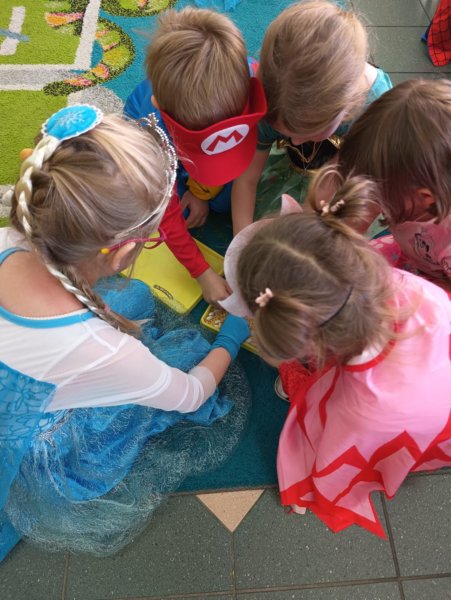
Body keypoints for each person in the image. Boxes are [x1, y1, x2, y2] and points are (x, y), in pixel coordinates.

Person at [0, 105, 251, 561]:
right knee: (182, 356)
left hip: (25, 371)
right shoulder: (106, 350)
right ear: (121, 253)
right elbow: (191, 394)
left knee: (131, 300)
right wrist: (231, 338)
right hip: (32, 429)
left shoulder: (8, 241)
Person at [220, 190, 451, 537]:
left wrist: (308, 481)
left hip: (403, 413)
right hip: (428, 359)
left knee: (309, 407)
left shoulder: (364, 404)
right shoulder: (404, 282)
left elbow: (339, 453)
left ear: (306, 339)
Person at [124, 7, 266, 302]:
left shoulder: (249, 76)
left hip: (191, 154)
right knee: (148, 204)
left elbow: (226, 154)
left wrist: (202, 191)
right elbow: (165, 210)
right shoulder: (148, 128)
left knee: (226, 200)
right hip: (161, 152)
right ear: (159, 104)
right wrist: (202, 273)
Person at [231, 0, 392, 235]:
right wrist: (242, 236)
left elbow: (343, 178)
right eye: (287, 133)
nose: (295, 142)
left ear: (345, 108)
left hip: (348, 171)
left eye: (307, 132)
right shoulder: (272, 100)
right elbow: (247, 178)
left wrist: (306, 214)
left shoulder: (377, 113)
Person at [314, 79, 451, 290]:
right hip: (412, 258)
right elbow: (357, 219)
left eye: (378, 195)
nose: (371, 200)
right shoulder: (406, 185)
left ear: (425, 197)